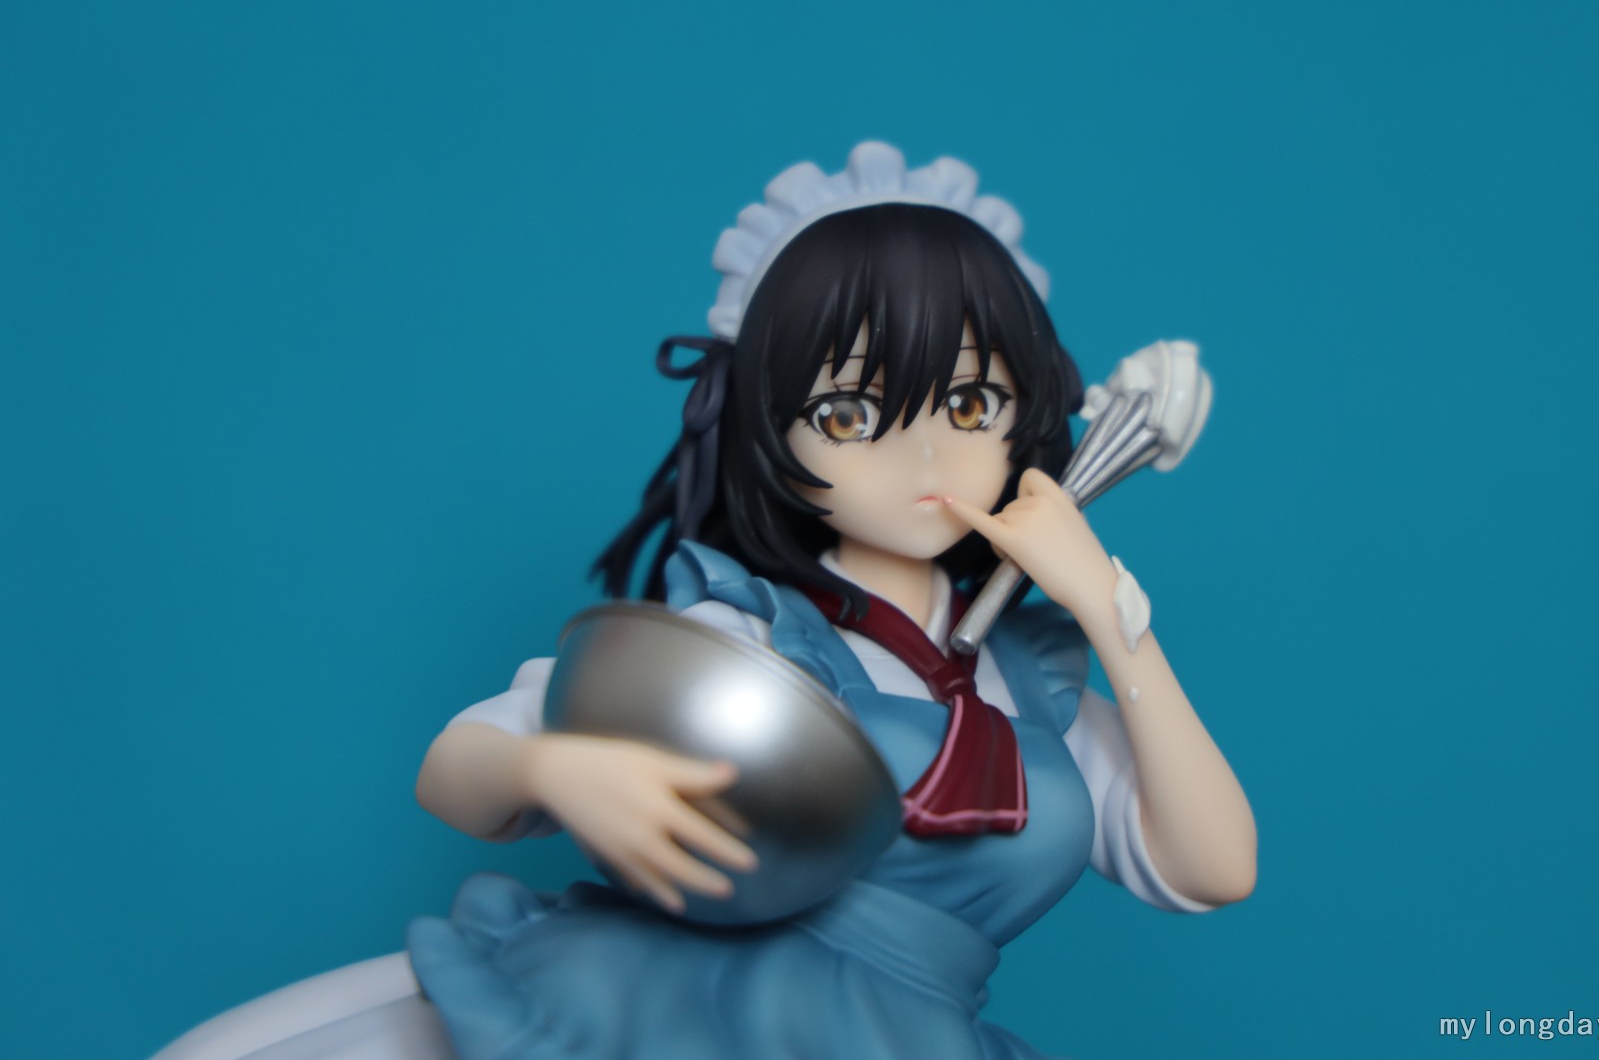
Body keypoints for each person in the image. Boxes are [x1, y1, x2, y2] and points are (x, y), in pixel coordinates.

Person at [155, 143, 1256, 1060]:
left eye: (969, 403)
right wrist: (551, 768)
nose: (922, 454)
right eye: (849, 414)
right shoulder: (753, 636)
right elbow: (458, 768)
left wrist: (1110, 613)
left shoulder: (1033, 686)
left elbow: (1211, 869)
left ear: (1024, 415)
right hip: (684, 1011)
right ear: (771, 427)